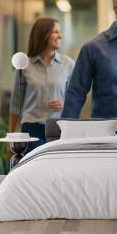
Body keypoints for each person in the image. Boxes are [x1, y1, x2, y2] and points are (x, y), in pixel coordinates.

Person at [9, 17, 75, 152]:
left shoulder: (67, 64)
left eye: (60, 31)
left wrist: (64, 104)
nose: (60, 35)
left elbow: (75, 98)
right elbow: (16, 104)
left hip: (59, 128)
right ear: (43, 35)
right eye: (55, 32)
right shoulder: (24, 66)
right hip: (32, 129)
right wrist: (11, 137)